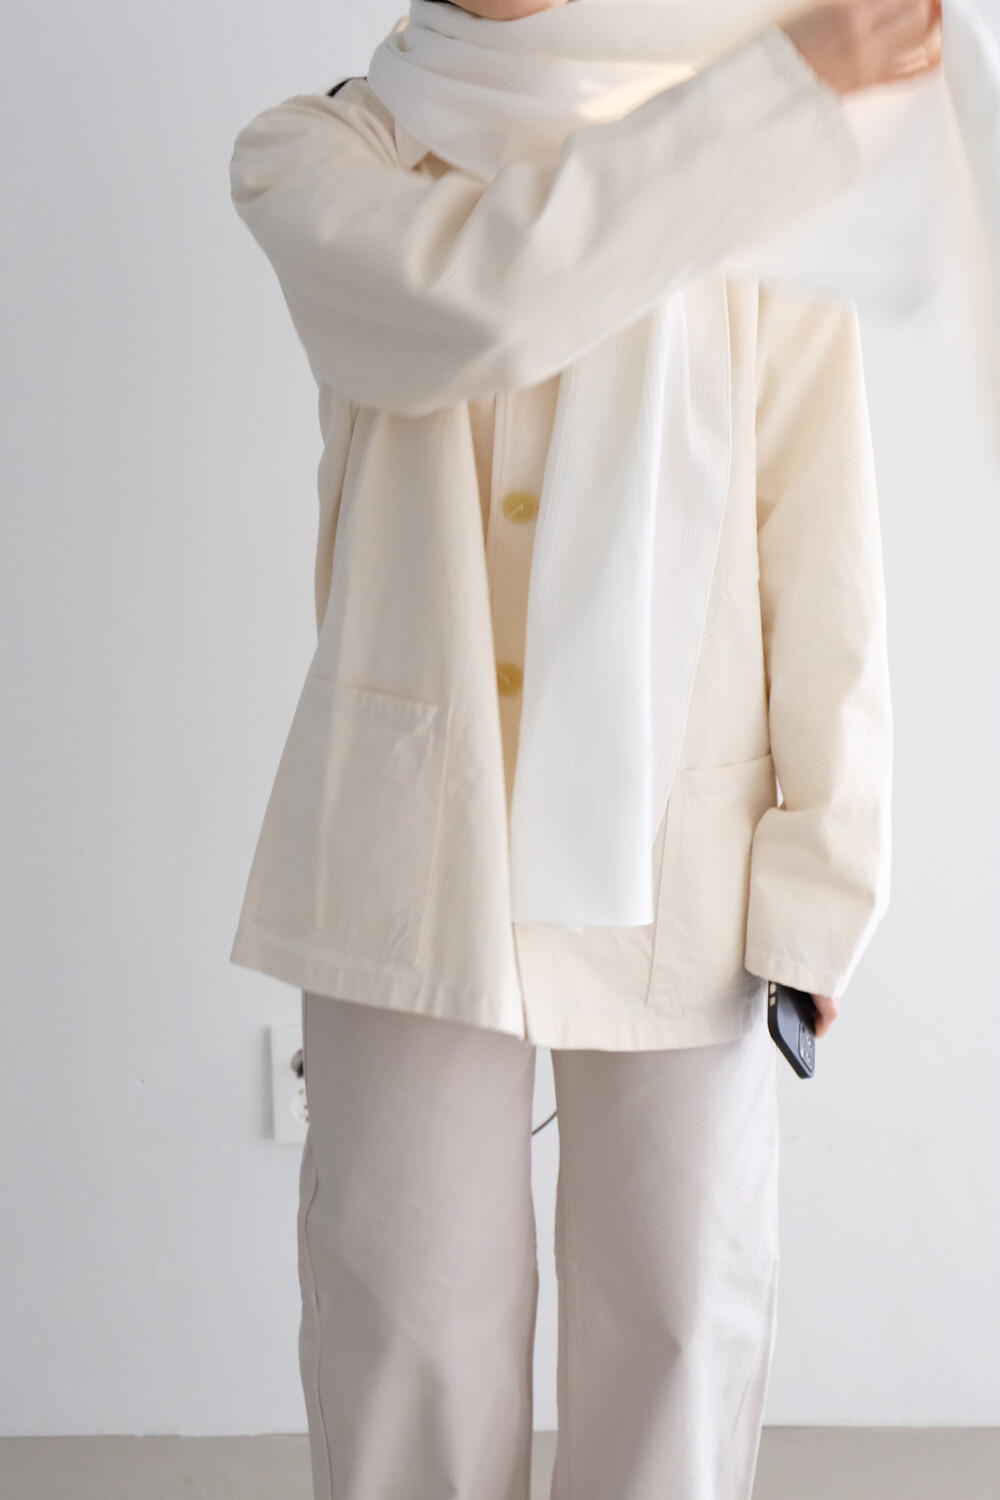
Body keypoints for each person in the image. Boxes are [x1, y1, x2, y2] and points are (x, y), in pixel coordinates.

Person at [227, 1, 940, 1496]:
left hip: (689, 850)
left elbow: (820, 541)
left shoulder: (760, 164)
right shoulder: (320, 152)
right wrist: (777, 96)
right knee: (405, 1337)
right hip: (411, 856)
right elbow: (480, 304)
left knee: (677, 1332)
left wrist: (826, 870)